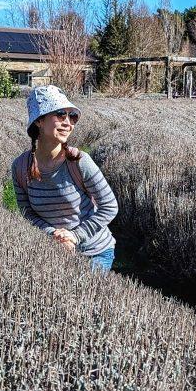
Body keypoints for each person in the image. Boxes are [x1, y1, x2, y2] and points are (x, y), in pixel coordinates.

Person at [11, 85, 119, 273]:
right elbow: (27, 212)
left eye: (72, 117)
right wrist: (53, 235)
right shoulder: (20, 167)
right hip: (54, 250)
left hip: (95, 251)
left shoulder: (79, 161)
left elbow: (110, 206)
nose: (68, 123)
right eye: (60, 114)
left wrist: (75, 236)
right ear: (39, 121)